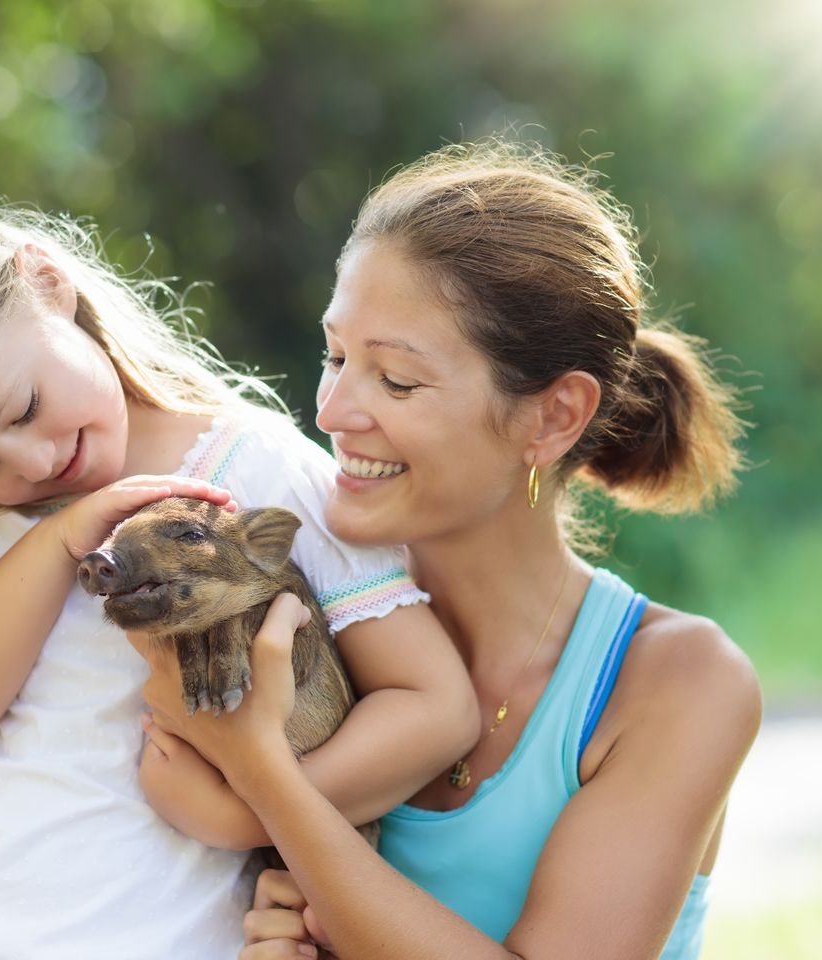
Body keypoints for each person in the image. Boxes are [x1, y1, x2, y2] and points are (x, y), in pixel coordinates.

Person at [0, 196, 479, 959]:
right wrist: (57, 544)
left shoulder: (253, 469)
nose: (33, 464)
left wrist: (252, 809)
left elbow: (435, 709)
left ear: (47, 283)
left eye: (27, 408)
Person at [137, 142, 762, 960]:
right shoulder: (295, 624)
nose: (330, 411)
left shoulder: (679, 684)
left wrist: (264, 784)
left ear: (554, 416)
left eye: (395, 381)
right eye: (334, 357)